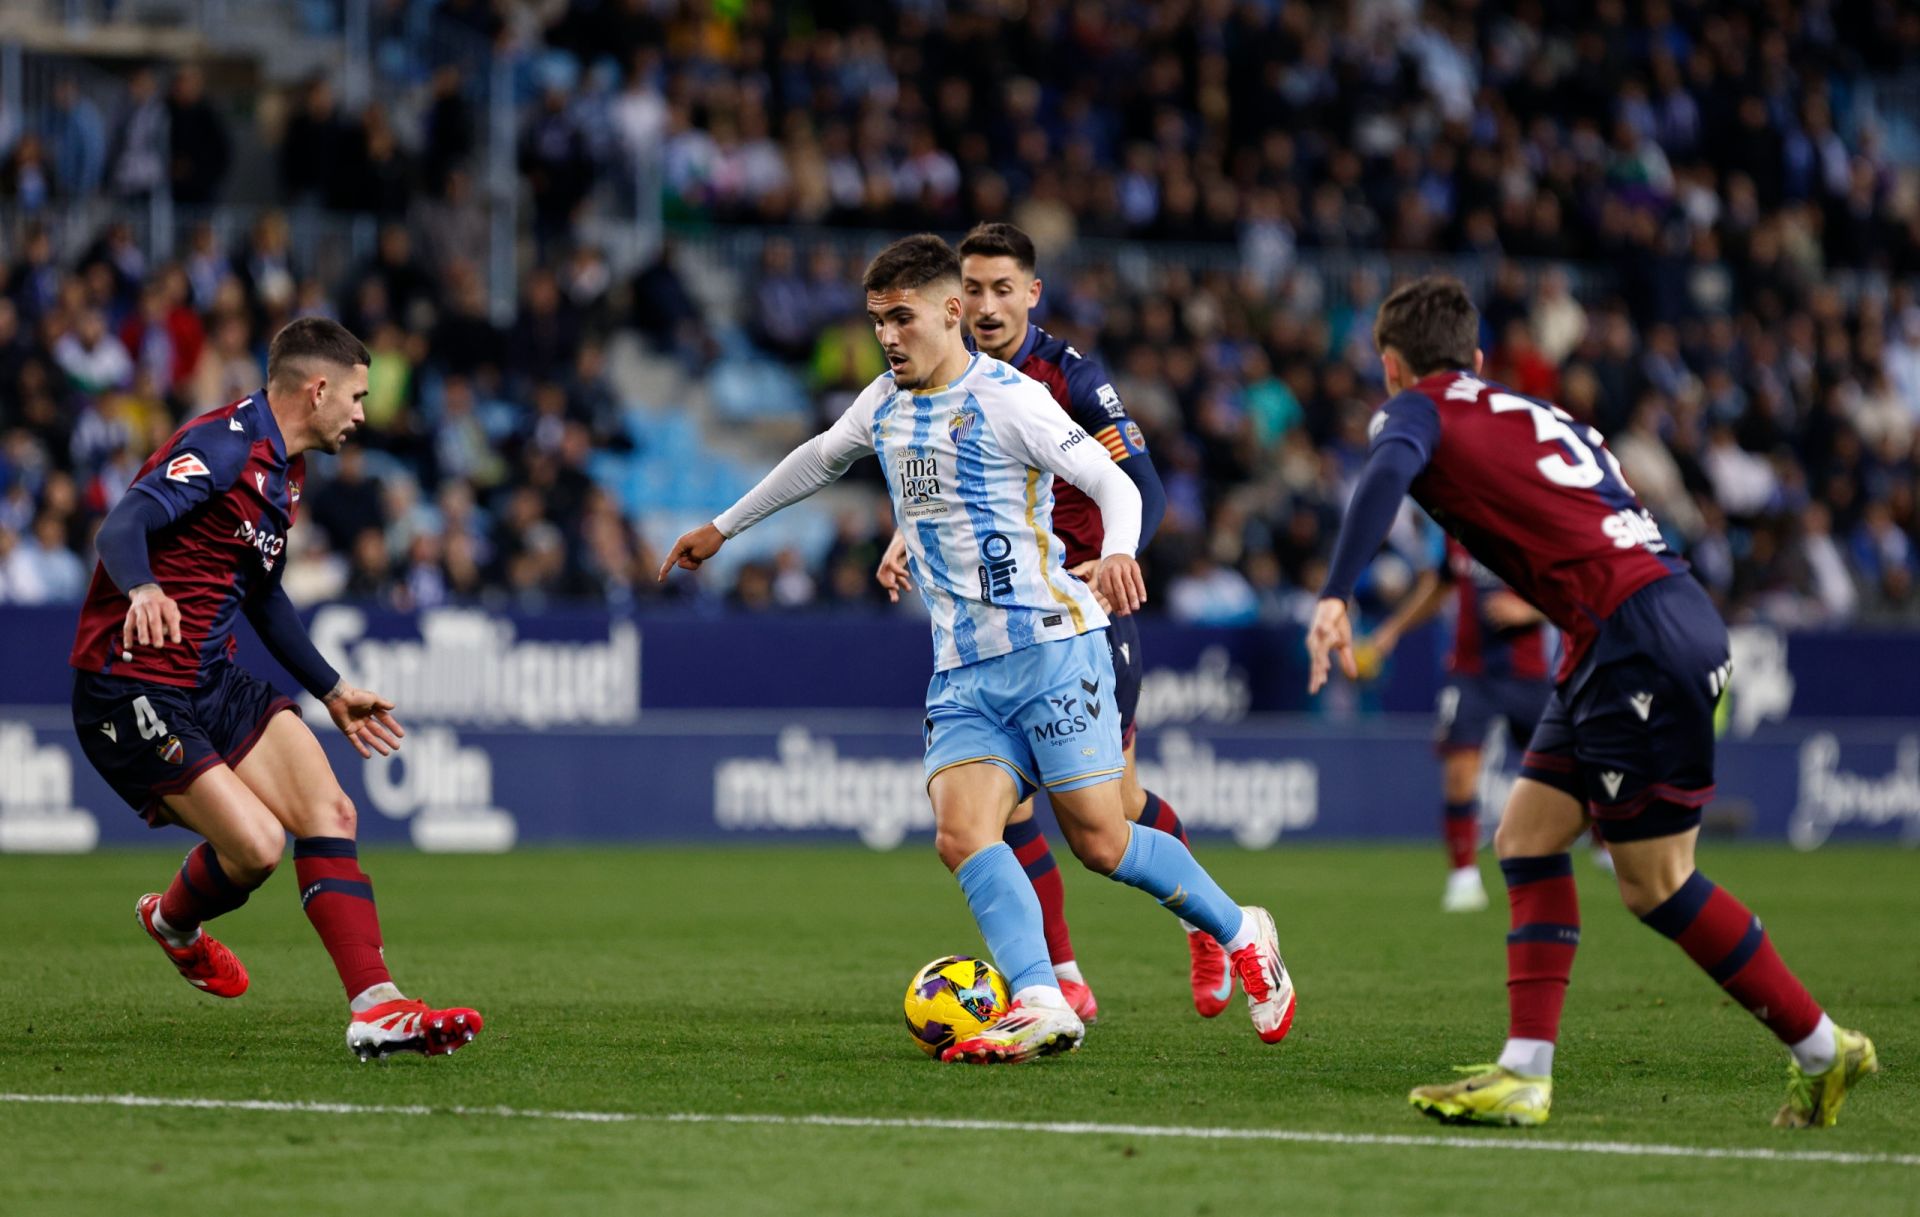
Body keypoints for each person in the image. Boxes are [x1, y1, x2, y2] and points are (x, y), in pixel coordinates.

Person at [662, 235, 1296, 1063]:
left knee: (1102, 842)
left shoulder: (1013, 399)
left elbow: (1113, 484)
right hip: (963, 669)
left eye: (903, 318)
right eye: (877, 321)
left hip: (1054, 649)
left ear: (950, 312)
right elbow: (817, 460)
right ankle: (1041, 998)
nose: (888, 336)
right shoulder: (882, 402)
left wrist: (1118, 551)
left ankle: (1242, 927)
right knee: (962, 833)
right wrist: (721, 528)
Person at [1306, 276, 1873, 1129]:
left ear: (1392, 365)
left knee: (1656, 883)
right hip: (1641, 623)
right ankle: (1525, 1071)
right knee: (1527, 835)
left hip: (1631, 638)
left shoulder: (1415, 408)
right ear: (1480, 359)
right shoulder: (1535, 412)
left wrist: (1336, 592)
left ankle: (1825, 1048)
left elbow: (1389, 464)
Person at [68, 318, 482, 1062]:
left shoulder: (286, 474)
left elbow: (262, 595)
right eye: (356, 396)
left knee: (331, 809)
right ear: (316, 389)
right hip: (130, 682)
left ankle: (377, 1006)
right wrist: (143, 588)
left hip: (209, 676)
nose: (362, 412)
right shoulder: (224, 444)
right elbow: (123, 522)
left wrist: (330, 688)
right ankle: (171, 922)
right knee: (257, 848)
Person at [874, 223, 1228, 1025]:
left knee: (1114, 814)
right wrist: (908, 532)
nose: (988, 307)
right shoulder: (935, 373)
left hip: (1082, 609)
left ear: (1032, 294)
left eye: (1006, 290)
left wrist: (1113, 556)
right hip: (994, 625)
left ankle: (1203, 921)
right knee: (998, 809)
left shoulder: (1067, 380)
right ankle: (1059, 976)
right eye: (976, 290)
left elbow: (1141, 484)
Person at [1360, 533, 1553, 912]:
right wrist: (1390, 632)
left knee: (1566, 770)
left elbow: (1578, 586)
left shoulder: (1531, 515)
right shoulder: (1456, 529)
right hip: (1468, 672)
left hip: (1527, 673)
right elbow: (1440, 587)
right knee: (1459, 771)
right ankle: (1463, 877)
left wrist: (1529, 610)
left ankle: (1604, 847)